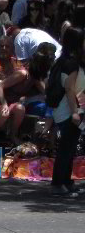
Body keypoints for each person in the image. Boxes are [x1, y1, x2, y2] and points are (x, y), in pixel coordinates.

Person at [0, 51, 52, 145]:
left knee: (20, 108)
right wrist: (4, 103)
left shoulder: (34, 78)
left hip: (11, 102)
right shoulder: (22, 74)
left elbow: (46, 92)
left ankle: (12, 135)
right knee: (4, 113)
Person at [47, 27, 84, 197]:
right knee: (66, 148)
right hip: (68, 110)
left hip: (65, 110)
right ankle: (58, 183)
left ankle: (67, 181)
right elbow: (69, 88)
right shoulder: (71, 63)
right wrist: (75, 112)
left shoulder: (63, 60)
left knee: (69, 148)